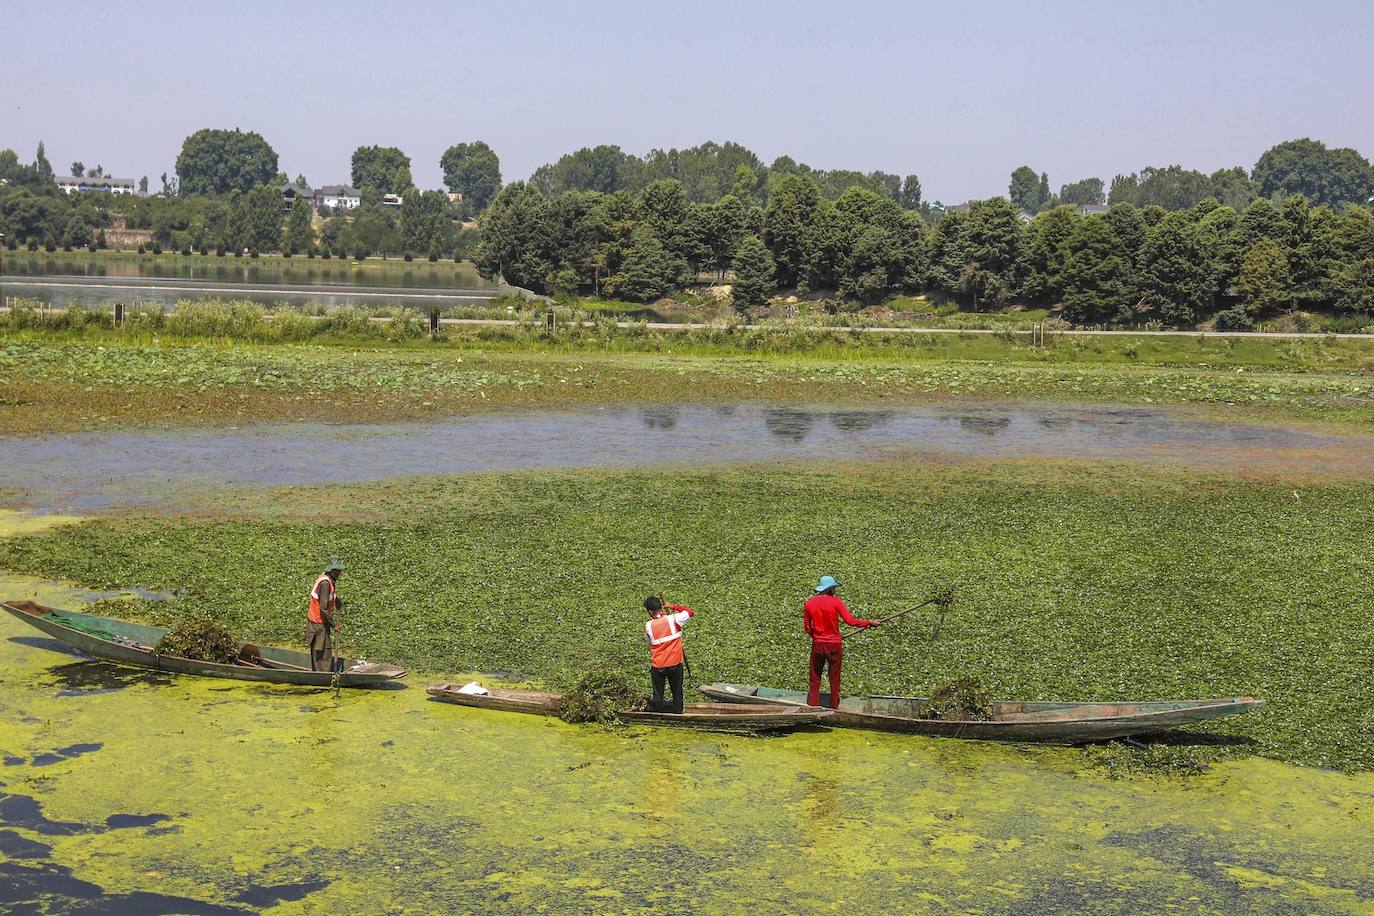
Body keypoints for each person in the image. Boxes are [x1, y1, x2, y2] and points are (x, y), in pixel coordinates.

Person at [803, 575, 877, 708]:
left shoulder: (809, 603)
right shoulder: (836, 602)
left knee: (815, 677)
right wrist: (868, 623)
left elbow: (808, 628)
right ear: (830, 588)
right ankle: (834, 707)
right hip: (834, 645)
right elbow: (850, 621)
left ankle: (812, 706)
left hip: (818, 644)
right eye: (834, 587)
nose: (835, 589)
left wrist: (818, 637)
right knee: (834, 677)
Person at [644, 595, 696, 713]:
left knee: (658, 697)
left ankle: (659, 708)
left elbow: (649, 642)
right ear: (661, 607)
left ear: (649, 611)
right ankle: (676, 710)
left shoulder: (648, 626)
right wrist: (673, 606)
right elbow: (690, 612)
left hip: (657, 666)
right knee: (677, 695)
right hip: (674, 664)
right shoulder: (674, 619)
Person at [306, 556, 345, 672]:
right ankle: (323, 676)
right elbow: (323, 609)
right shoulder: (325, 584)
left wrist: (336, 599)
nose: (339, 573)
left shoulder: (328, 579)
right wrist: (334, 625)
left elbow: (327, 596)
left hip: (320, 622)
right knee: (323, 654)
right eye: (338, 571)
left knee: (322, 653)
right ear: (332, 571)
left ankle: (321, 673)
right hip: (318, 624)